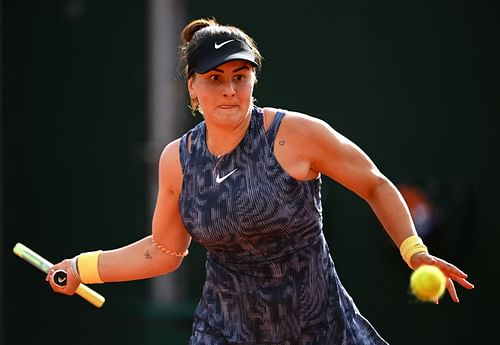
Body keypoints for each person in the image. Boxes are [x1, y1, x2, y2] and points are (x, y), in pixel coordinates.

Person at [47, 18, 475, 344]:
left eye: (240, 76)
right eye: (215, 79)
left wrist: (414, 251)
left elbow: (375, 184)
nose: (229, 89)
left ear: (254, 80)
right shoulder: (177, 160)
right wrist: (83, 267)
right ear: (193, 89)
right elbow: (163, 251)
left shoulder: (296, 134)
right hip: (225, 331)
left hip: (319, 329)